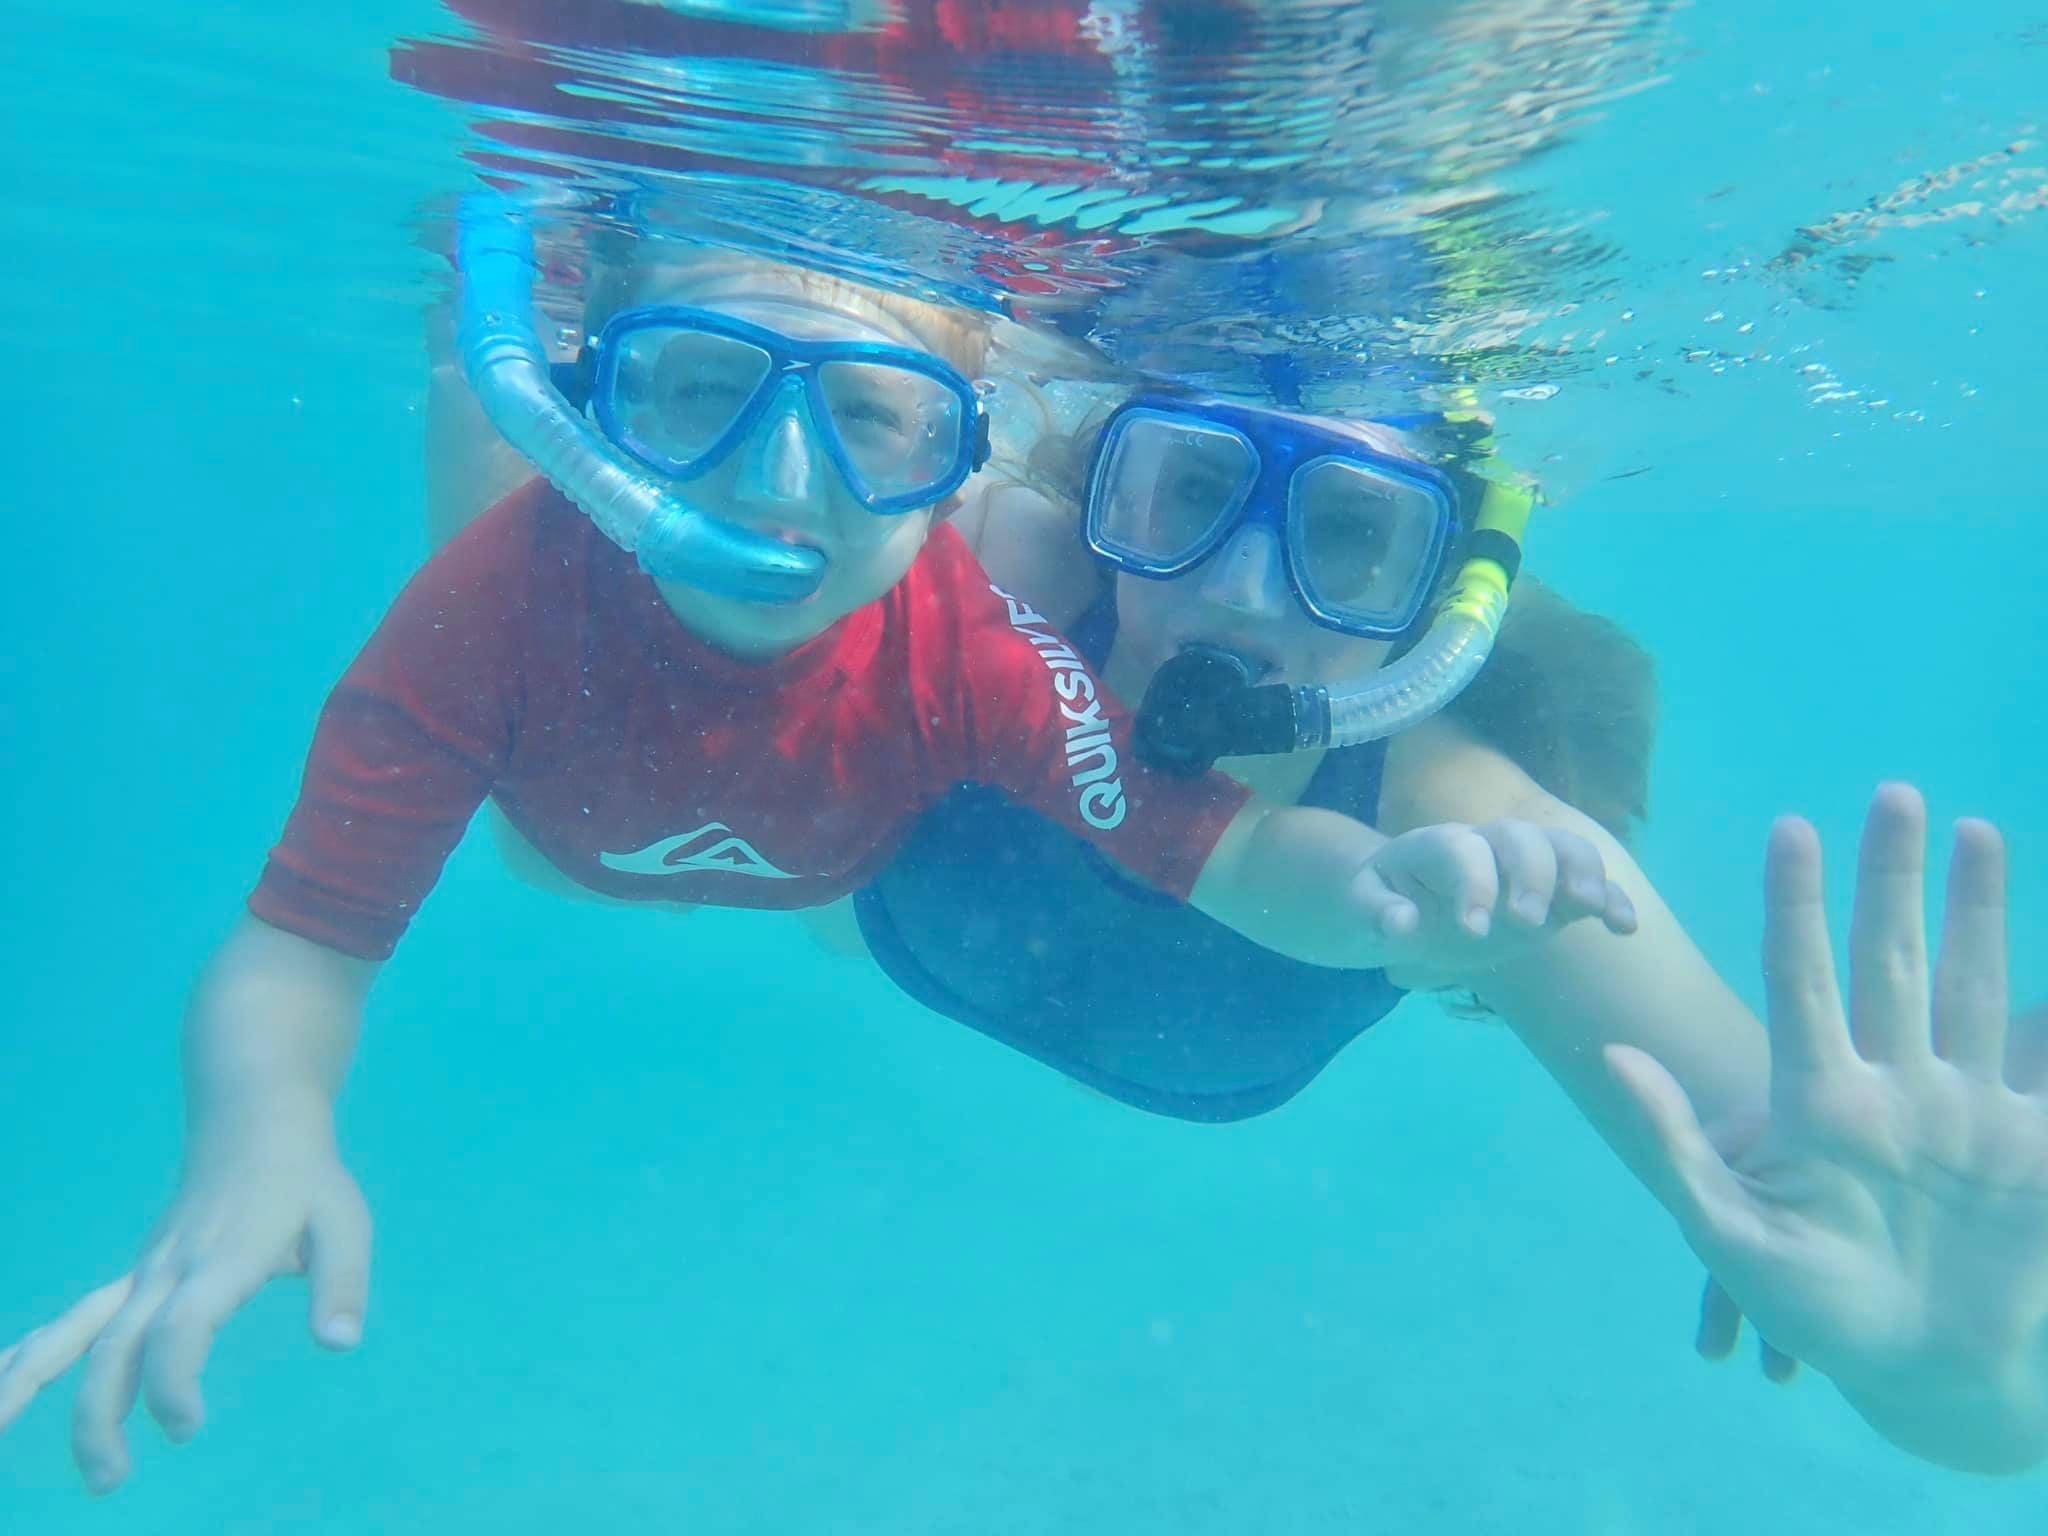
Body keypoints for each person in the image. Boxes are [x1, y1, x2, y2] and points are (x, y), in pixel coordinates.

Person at [0, 206, 1631, 1496]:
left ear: (958, 461)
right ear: (593, 406)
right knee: (507, 581)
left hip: (813, 843)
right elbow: (306, 939)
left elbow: (1207, 848)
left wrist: (1381, 908)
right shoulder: (483, 619)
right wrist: (255, 1139)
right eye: (693, 388)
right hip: (569, 805)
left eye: (876, 420)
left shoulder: (979, 649)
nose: (780, 490)